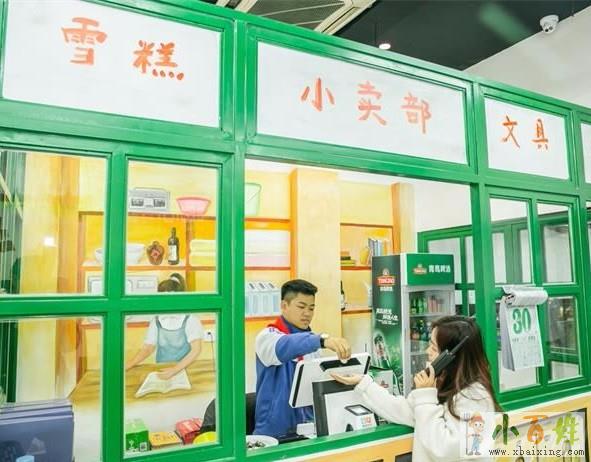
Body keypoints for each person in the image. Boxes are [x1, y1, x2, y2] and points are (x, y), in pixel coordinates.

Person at [332, 315, 501, 462]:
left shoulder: (477, 397)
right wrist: (364, 383)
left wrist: (426, 396)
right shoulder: (443, 385)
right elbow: (402, 410)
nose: (427, 351)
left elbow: (445, 450)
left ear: (451, 356)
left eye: (433, 347)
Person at [254, 279, 352, 438]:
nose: (307, 313)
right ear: (284, 305)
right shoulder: (267, 337)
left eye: (311, 308)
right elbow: (286, 346)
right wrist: (321, 340)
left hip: (307, 430)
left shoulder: (312, 343)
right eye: (301, 307)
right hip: (274, 434)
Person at [125, 273, 204, 380]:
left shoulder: (190, 319)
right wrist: (129, 365)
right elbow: (148, 348)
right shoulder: (157, 320)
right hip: (161, 369)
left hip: (185, 369)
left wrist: (174, 370)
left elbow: (196, 350)